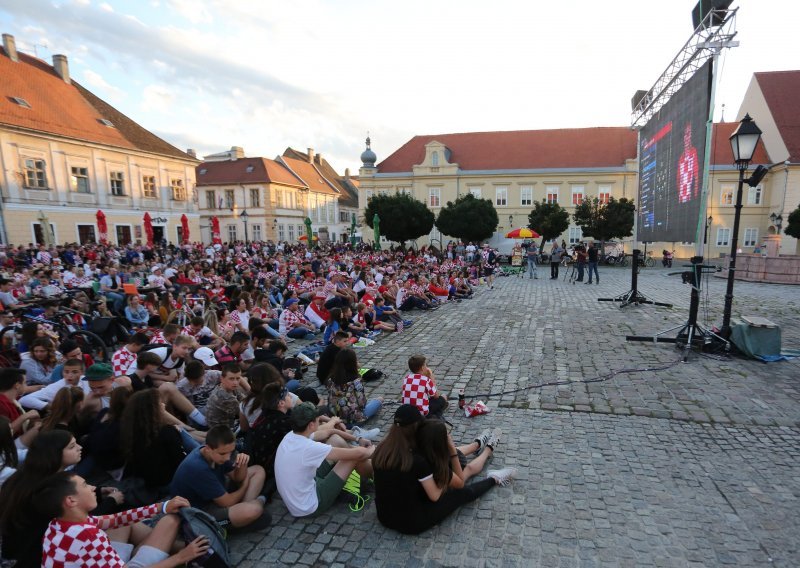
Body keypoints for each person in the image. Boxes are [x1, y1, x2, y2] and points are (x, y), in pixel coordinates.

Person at [372, 405, 515, 535]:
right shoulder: (418, 461)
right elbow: (435, 496)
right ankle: (494, 478)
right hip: (412, 522)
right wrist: (444, 468)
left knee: (450, 470)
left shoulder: (382, 448)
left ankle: (478, 446)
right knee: (462, 493)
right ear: (415, 427)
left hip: (385, 516)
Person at [38, 471, 208, 567]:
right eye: (84, 485)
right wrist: (180, 557)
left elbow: (115, 520)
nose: (92, 487)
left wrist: (161, 507)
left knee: (120, 524)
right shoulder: (87, 535)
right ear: (71, 501)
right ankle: (188, 549)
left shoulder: (56, 525)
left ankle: (178, 545)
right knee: (170, 522)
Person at [274, 402, 373, 518]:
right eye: (318, 419)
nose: (320, 421)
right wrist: (374, 449)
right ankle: (374, 474)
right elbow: (359, 454)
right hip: (310, 506)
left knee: (336, 440)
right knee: (353, 458)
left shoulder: (292, 435)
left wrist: (358, 438)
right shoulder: (308, 447)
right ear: (311, 425)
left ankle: (365, 473)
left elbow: (330, 432)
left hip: (300, 494)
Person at [169, 425, 269, 530]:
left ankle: (243, 510)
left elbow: (237, 478)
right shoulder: (198, 468)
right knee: (255, 510)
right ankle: (254, 504)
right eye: (223, 454)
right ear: (208, 448)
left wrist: (242, 465)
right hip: (198, 513)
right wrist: (244, 486)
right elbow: (228, 502)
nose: (227, 458)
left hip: (216, 498)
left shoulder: (216, 453)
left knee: (258, 470)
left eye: (231, 452)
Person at [326, 348, 382, 426]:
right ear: (352, 363)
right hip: (353, 421)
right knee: (379, 400)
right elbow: (362, 404)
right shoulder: (356, 381)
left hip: (335, 419)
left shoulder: (330, 379)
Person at [205, 363, 247, 431]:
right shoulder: (226, 397)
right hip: (222, 431)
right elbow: (246, 413)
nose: (235, 382)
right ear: (222, 379)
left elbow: (243, 399)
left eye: (238, 378)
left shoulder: (227, 387)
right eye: (231, 379)